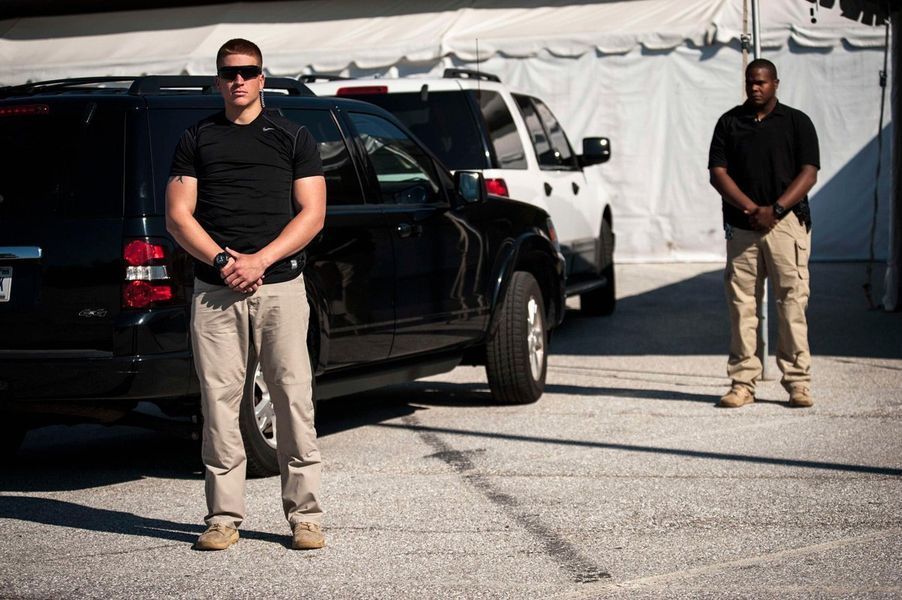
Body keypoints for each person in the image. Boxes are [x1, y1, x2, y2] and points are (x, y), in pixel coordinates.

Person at [166, 38, 327, 550]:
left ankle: (305, 516)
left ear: (262, 78)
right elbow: (178, 215)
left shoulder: (293, 135)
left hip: (280, 287)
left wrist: (260, 260)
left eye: (248, 71)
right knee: (218, 405)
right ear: (218, 80)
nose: (238, 80)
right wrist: (221, 260)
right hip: (215, 292)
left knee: (291, 399)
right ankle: (222, 518)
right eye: (229, 72)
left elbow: (313, 213)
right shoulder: (196, 137)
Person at [708, 58, 819, 409]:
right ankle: (742, 383)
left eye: (762, 82)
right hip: (743, 226)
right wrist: (751, 209)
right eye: (750, 82)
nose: (755, 88)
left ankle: (798, 384)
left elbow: (809, 172)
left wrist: (777, 209)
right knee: (743, 306)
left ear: (775, 83)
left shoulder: (797, 122)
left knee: (791, 304)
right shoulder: (729, 122)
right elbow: (717, 173)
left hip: (786, 225)